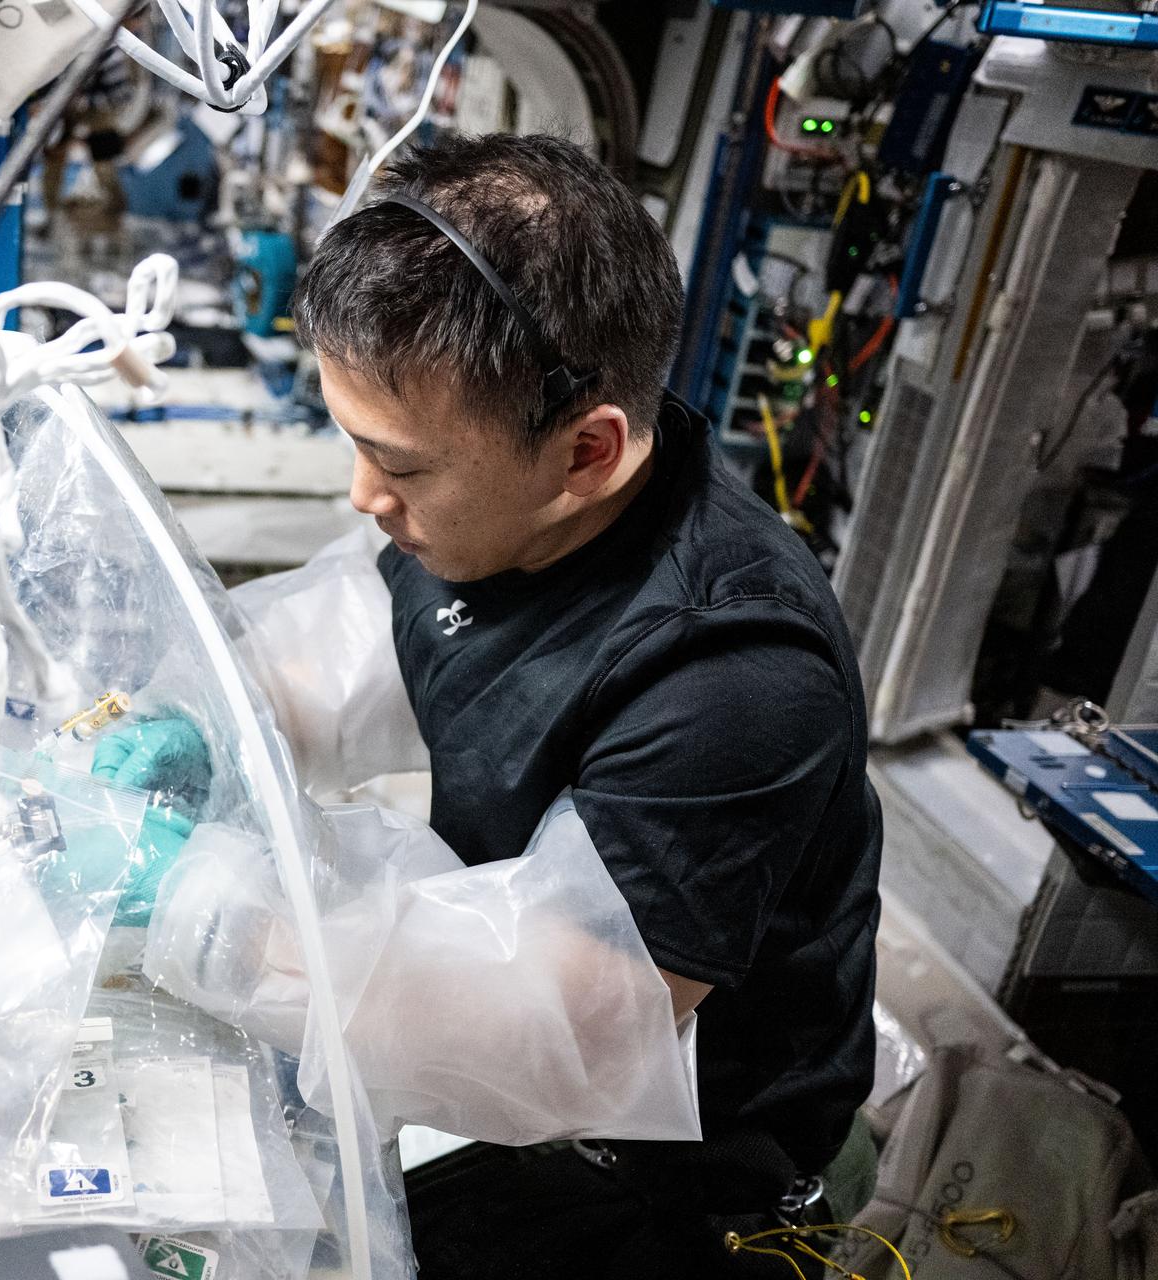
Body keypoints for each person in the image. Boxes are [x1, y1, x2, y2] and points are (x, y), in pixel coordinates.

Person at [266, 132, 885, 1277]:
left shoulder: (733, 669)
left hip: (668, 1176)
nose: (362, 499)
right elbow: (350, 654)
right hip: (536, 1117)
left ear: (587, 453)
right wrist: (174, 716)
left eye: (398, 467)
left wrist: (221, 922)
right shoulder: (495, 506)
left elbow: (564, 1030)